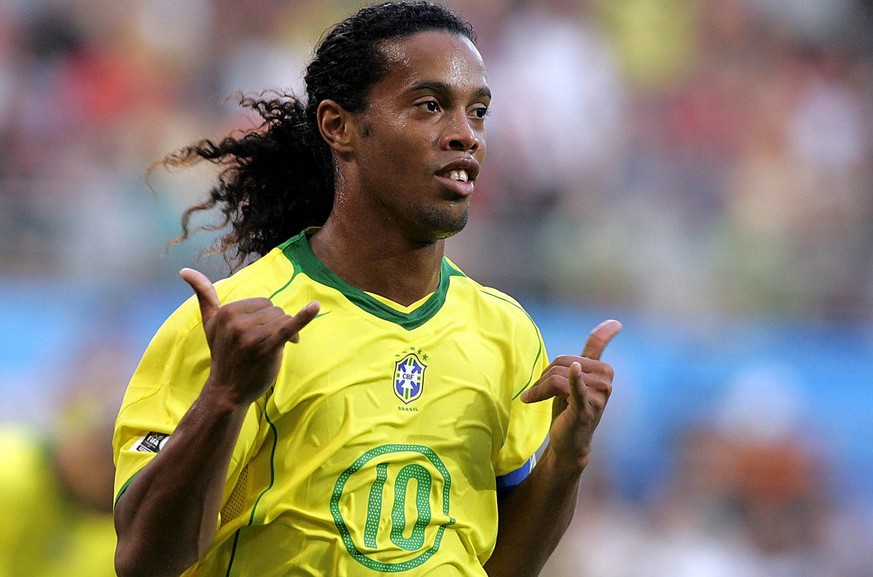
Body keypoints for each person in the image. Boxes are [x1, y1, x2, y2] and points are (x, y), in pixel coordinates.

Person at [112, 2, 621, 576]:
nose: (465, 136)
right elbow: (143, 563)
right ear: (339, 126)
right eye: (430, 106)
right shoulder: (238, 324)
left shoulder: (505, 333)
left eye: (477, 112)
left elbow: (506, 566)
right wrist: (225, 396)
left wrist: (568, 456)